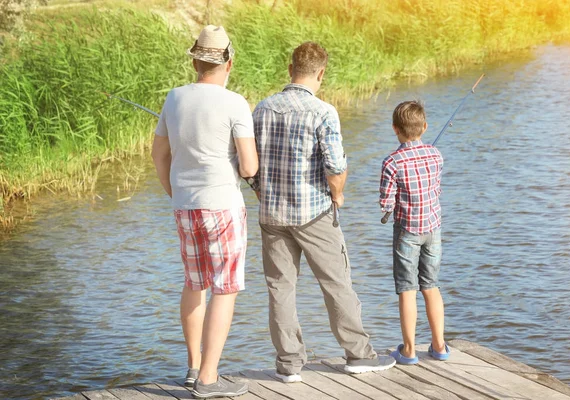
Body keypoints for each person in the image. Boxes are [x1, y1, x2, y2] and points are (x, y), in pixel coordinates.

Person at [252, 41, 396, 383]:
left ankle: (288, 365)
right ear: (321, 73)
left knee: (280, 289)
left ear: (290, 70)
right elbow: (335, 166)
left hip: (271, 215)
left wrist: (261, 191)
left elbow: (249, 166)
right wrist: (339, 193)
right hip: (314, 214)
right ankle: (359, 355)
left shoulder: (261, 108)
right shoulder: (323, 112)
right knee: (336, 284)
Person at [151, 25, 257, 398]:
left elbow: (159, 155)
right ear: (229, 61)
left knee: (194, 283)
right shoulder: (236, 103)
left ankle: (193, 368)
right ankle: (209, 379)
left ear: (196, 60)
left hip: (186, 207)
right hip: (223, 207)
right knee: (224, 289)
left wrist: (175, 192)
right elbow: (248, 166)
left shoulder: (174, 98)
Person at [379, 100, 449, 365]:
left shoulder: (392, 162)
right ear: (425, 127)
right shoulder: (436, 154)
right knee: (430, 286)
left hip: (407, 231)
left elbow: (386, 202)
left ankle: (409, 350)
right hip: (433, 229)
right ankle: (439, 345)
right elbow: (436, 190)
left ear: (395, 129)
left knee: (407, 288)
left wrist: (390, 205)